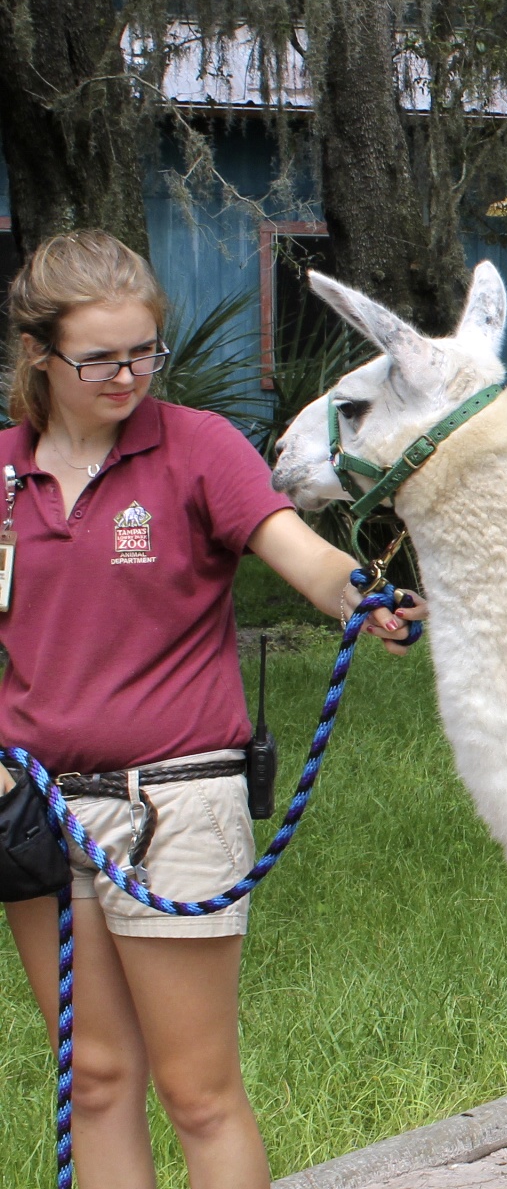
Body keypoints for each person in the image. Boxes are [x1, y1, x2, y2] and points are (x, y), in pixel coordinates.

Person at [0, 230, 426, 1189]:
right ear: (38, 353)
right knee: (96, 1078)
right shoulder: (4, 474)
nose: (127, 376)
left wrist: (361, 597)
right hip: (38, 812)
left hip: (178, 803)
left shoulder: (194, 446)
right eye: (99, 358)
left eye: (144, 352)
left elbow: (298, 552)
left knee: (198, 1089)